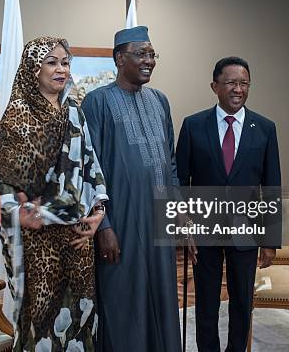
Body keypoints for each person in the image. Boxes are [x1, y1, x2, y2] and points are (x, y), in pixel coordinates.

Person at [0, 36, 109, 351]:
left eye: (65, 62)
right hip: (39, 240)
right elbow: (5, 184)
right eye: (52, 62)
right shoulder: (17, 116)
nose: (61, 69)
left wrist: (97, 215)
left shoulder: (75, 110)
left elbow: (91, 165)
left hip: (78, 234)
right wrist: (21, 214)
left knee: (81, 316)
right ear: (34, 69)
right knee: (42, 319)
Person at [81, 26, 184, 352]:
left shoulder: (160, 101)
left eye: (153, 54)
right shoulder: (96, 102)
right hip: (121, 224)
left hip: (159, 223)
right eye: (142, 53)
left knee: (163, 297)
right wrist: (104, 228)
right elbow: (89, 169)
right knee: (122, 301)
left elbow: (170, 164)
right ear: (119, 58)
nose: (149, 60)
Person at [176, 56, 281, 352]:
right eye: (231, 83)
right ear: (215, 86)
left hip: (245, 233)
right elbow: (180, 182)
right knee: (206, 303)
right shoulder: (193, 126)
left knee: (241, 302)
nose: (238, 89)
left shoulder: (265, 128)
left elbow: (271, 186)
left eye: (244, 83)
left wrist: (270, 239)